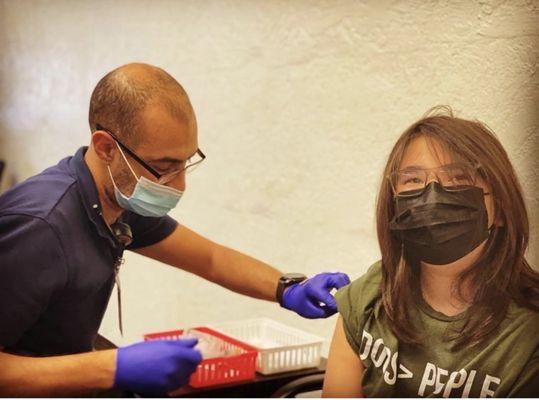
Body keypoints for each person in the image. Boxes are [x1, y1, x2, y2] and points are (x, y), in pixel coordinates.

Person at [0, 63, 350, 396]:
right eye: (163, 167)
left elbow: (211, 259)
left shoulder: (116, 199)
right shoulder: (42, 227)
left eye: (185, 163)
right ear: (106, 148)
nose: (179, 185)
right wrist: (112, 367)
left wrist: (286, 288)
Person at [323, 107, 539, 398]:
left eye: (459, 178)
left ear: (499, 208)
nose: (433, 194)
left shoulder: (528, 332)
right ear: (394, 205)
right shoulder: (367, 299)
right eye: (413, 180)